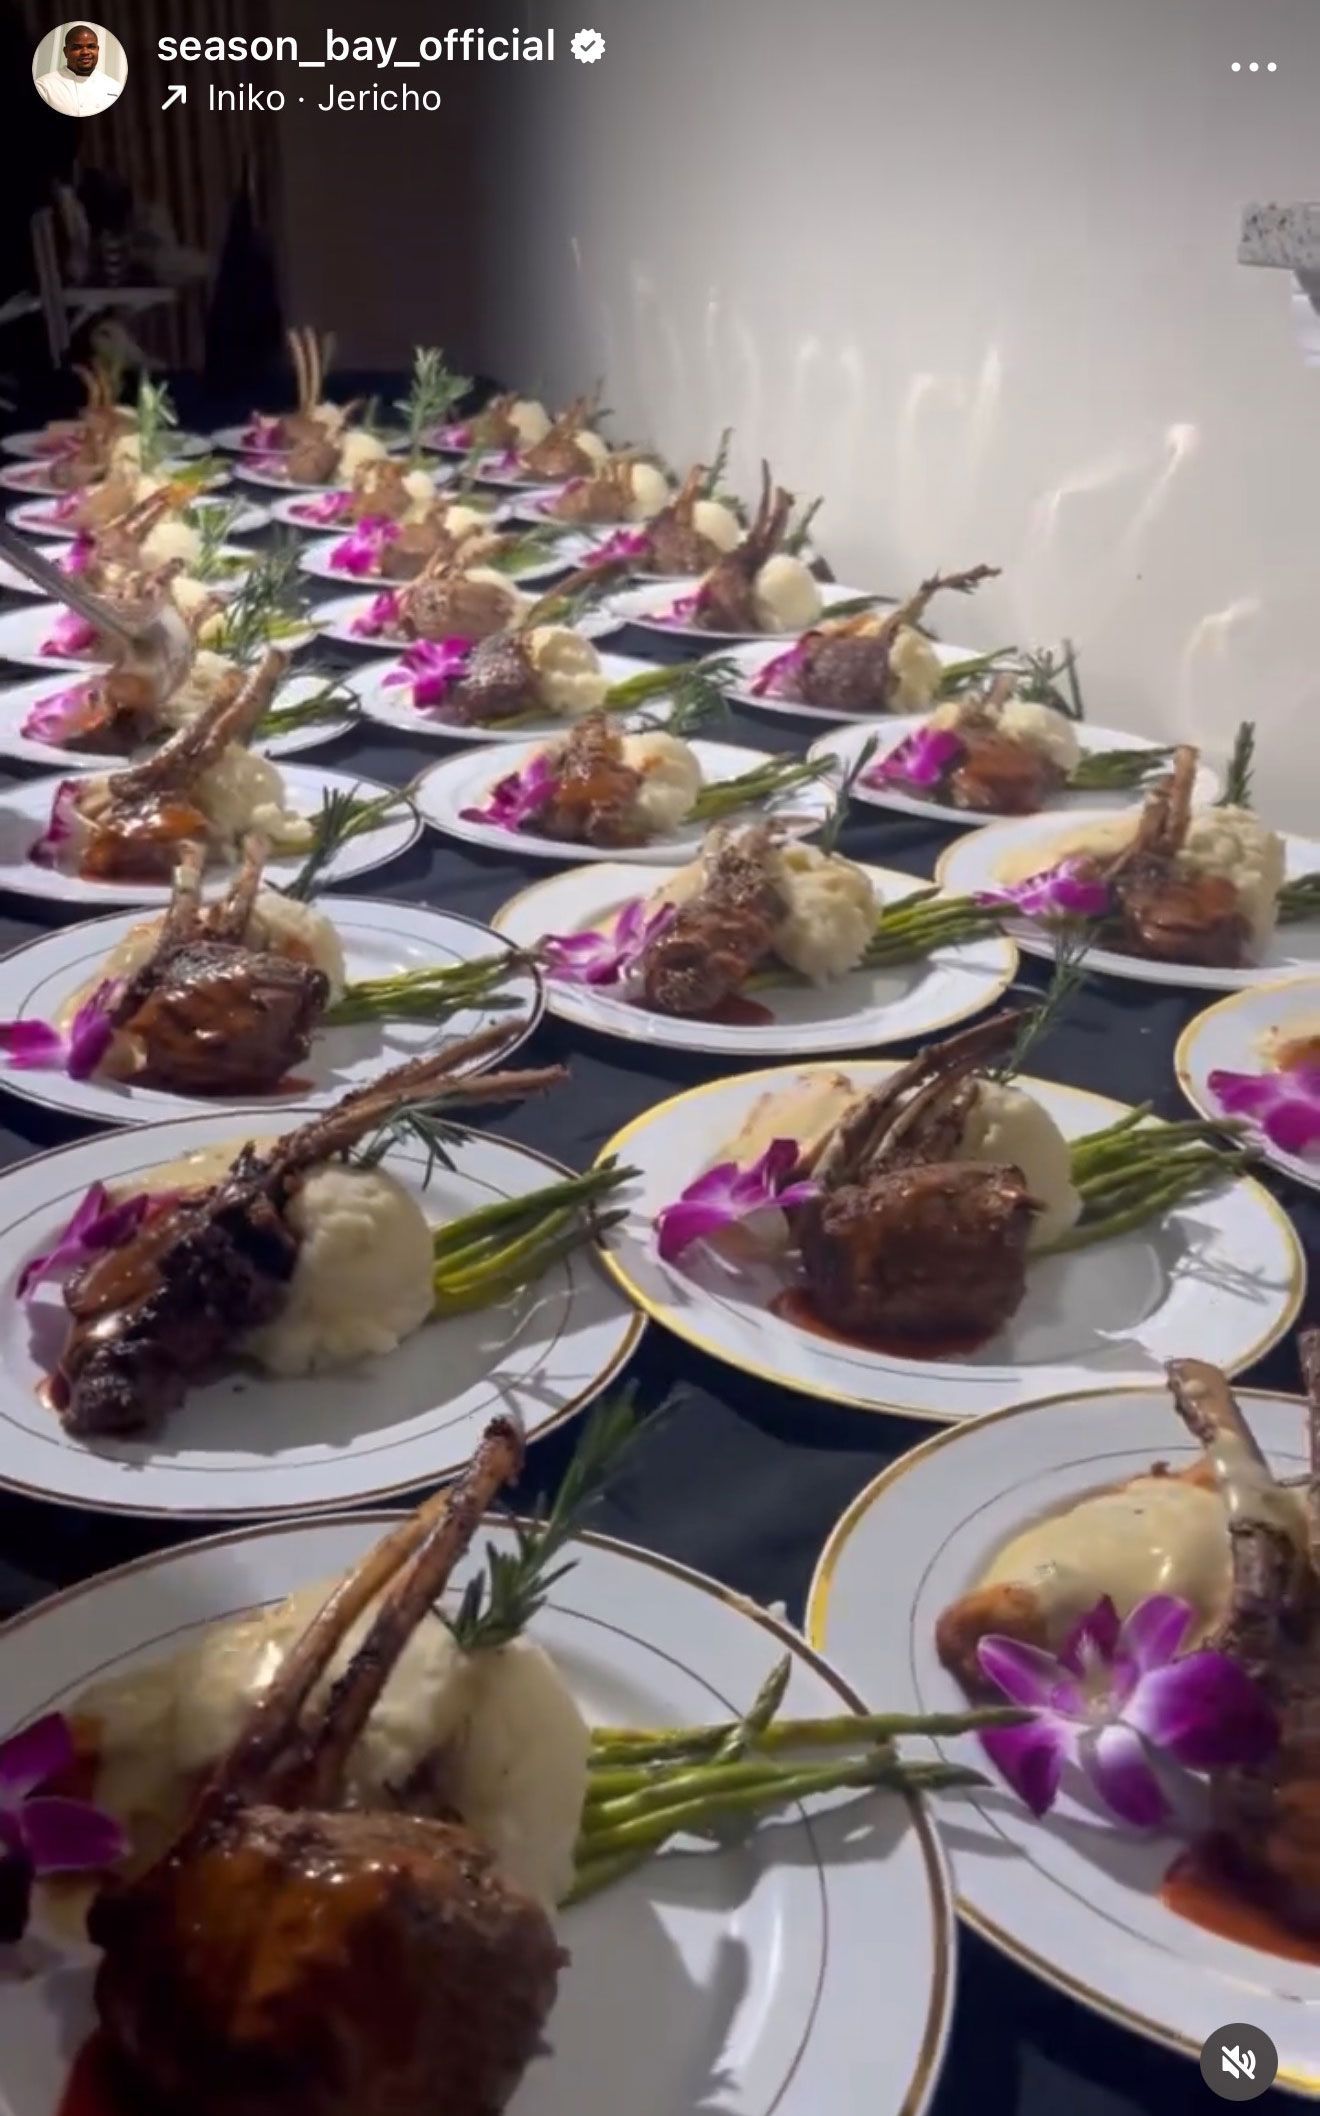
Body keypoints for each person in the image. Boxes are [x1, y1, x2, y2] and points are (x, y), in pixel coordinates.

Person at [34, 23, 122, 116]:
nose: (85, 52)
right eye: (77, 48)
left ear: (98, 49)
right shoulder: (44, 87)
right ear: (66, 52)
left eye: (91, 46)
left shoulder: (115, 87)